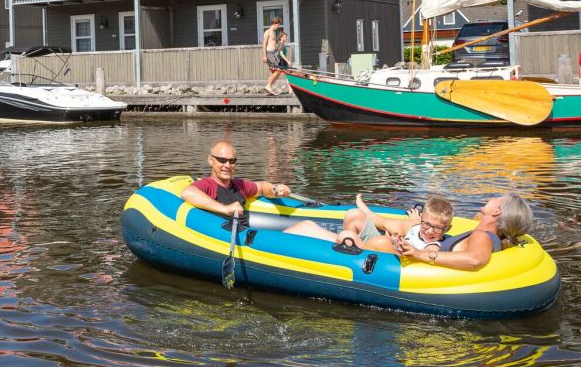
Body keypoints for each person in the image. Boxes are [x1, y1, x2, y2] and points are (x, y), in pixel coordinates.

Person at [287, 194, 533, 271]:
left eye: (495, 199)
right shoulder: (492, 235)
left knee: (346, 237)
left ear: (498, 211)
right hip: (405, 251)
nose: (490, 199)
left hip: (405, 260)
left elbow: (474, 259)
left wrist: (418, 253)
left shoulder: (482, 236)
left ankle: (344, 244)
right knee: (307, 228)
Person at [285, 194, 453, 255]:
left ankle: (347, 248)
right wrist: (362, 206)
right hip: (375, 248)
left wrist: (402, 246)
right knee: (354, 215)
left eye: (438, 228)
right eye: (426, 225)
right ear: (422, 219)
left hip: (392, 259)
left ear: (447, 229)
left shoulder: (434, 245)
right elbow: (380, 221)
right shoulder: (414, 226)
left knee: (362, 238)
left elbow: (426, 256)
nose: (430, 231)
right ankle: (346, 248)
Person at [181, 140, 292, 218]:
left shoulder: (239, 185)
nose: (228, 165)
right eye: (222, 160)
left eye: (232, 161)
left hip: (245, 232)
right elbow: (188, 193)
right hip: (223, 236)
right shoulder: (208, 184)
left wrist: (276, 189)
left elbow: (262, 187)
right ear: (210, 160)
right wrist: (225, 209)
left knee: (308, 225)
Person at [263, 18, 285, 95]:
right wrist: (264, 56)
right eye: (278, 25)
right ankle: (268, 86)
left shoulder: (274, 33)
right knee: (278, 70)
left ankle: (269, 89)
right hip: (269, 53)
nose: (278, 27)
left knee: (273, 72)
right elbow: (264, 44)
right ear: (274, 24)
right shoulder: (267, 32)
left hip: (273, 54)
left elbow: (273, 45)